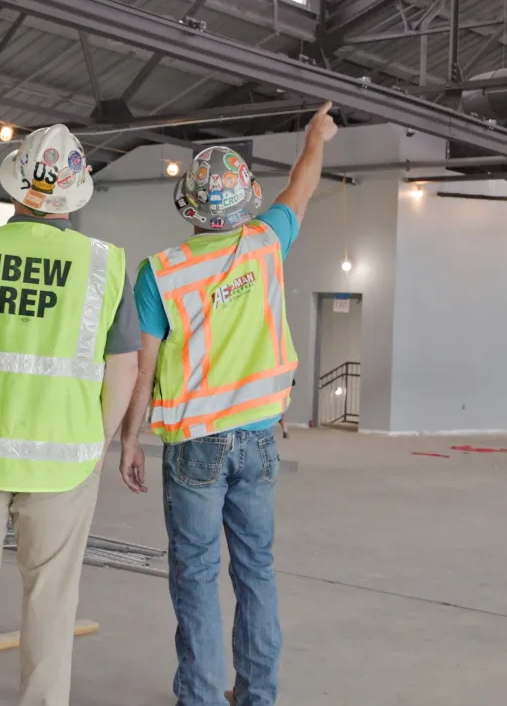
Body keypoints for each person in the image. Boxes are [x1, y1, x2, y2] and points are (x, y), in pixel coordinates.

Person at [118, 103, 338, 706]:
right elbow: (305, 183)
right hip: (260, 441)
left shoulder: (159, 273)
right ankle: (258, 696)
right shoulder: (267, 242)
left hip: (193, 445)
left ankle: (202, 699)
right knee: (256, 572)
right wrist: (317, 136)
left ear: (188, 205)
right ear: (247, 200)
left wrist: (130, 438)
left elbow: (144, 368)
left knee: (194, 576)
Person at [0, 124, 140, 706]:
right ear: (78, 192)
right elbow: (124, 368)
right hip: (63, 460)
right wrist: (97, 440)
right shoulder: (104, 265)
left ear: (17, 185)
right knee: (51, 600)